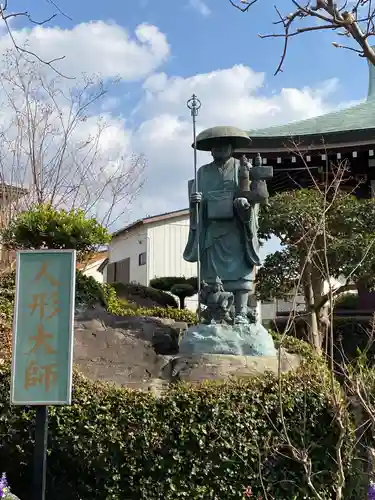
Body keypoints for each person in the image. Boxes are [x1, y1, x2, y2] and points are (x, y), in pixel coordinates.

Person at [183, 126, 270, 324]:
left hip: (236, 228)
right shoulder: (203, 172)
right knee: (214, 273)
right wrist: (195, 201)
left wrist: (246, 205)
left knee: (239, 269)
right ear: (210, 150)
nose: (220, 149)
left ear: (231, 148)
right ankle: (217, 313)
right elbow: (197, 199)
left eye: (224, 146)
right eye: (216, 146)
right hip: (212, 229)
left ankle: (240, 311)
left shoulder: (242, 167)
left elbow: (257, 197)